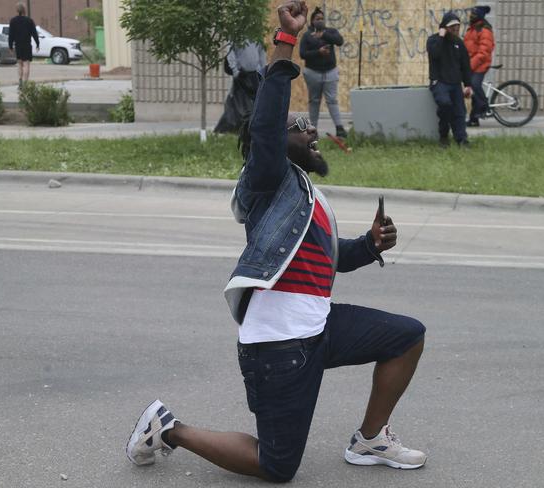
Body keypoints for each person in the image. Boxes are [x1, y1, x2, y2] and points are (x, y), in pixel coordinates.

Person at [125, 1, 426, 483]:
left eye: (312, 126)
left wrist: (369, 245)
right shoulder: (267, 179)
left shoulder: (310, 195)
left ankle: (370, 439)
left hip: (318, 326)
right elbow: (266, 127)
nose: (312, 132)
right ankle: (169, 428)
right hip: (281, 345)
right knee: (277, 465)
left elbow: (328, 264)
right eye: (300, 127)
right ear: (275, 142)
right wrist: (284, 45)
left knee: (408, 335)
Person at [299, 7, 347, 138]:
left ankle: (339, 128)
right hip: (313, 73)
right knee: (314, 101)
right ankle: (313, 130)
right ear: (312, 21)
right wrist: (318, 52)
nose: (320, 21)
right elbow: (302, 54)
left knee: (332, 100)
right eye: (317, 19)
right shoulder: (307, 35)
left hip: (330, 72)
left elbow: (340, 41)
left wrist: (324, 35)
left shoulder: (330, 32)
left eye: (322, 19)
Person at [426, 12, 473, 147]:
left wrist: (468, 85)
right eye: (452, 27)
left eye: (457, 26)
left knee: (459, 112)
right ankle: (444, 136)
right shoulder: (433, 40)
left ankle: (461, 140)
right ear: (444, 27)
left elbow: (465, 65)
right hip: (439, 83)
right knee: (445, 105)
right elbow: (434, 54)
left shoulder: (459, 43)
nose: (456, 29)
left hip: (455, 84)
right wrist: (441, 36)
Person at [214, 40, 267, 134]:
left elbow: (261, 53)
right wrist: (235, 70)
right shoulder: (237, 34)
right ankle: (229, 129)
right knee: (237, 103)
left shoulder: (257, 35)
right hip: (241, 75)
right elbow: (230, 52)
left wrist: (263, 72)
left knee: (256, 102)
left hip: (255, 75)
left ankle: (252, 128)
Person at [464, 6, 495, 127]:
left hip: (481, 64)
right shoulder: (471, 29)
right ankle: (474, 119)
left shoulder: (485, 31)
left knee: (475, 85)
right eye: (471, 13)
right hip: (473, 64)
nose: (471, 16)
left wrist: (470, 65)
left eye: (474, 14)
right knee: (472, 91)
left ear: (480, 16)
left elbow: (483, 53)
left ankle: (485, 107)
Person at [8, 2, 39, 89]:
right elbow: (34, 33)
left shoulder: (13, 21)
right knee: (26, 64)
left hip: (18, 45)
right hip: (27, 45)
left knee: (19, 64)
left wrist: (10, 46)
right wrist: (37, 43)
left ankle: (20, 81)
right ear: (24, 10)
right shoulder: (29, 21)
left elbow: (11, 35)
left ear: (17, 10)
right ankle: (25, 83)